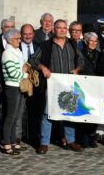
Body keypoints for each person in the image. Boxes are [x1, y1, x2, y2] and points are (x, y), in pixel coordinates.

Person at [29, 19, 84, 154]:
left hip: (68, 85)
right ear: (54, 29)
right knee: (48, 113)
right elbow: (33, 60)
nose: (62, 30)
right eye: (59, 28)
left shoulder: (73, 44)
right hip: (51, 85)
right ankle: (44, 143)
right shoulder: (46, 45)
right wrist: (43, 68)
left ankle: (70, 140)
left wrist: (77, 69)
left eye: (64, 28)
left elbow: (81, 60)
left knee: (69, 112)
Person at [1, 28, 28, 155]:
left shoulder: (17, 51)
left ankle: (13, 142)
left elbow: (23, 68)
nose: (19, 40)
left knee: (17, 116)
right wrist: (25, 73)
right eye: (17, 38)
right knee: (10, 116)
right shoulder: (8, 53)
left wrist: (24, 70)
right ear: (10, 40)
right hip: (12, 87)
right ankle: (6, 144)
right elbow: (13, 73)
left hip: (19, 86)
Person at [78, 32, 101, 148]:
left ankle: (92, 137)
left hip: (96, 87)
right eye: (91, 41)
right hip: (84, 87)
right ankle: (84, 138)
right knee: (84, 111)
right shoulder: (80, 54)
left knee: (94, 112)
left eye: (95, 41)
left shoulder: (99, 54)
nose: (93, 43)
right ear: (86, 42)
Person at [18, 24, 38, 145]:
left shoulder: (38, 46)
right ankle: (18, 136)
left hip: (35, 84)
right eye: (25, 34)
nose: (28, 36)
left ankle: (32, 136)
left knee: (34, 112)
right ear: (21, 34)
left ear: (33, 34)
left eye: (30, 34)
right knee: (19, 111)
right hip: (21, 82)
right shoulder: (16, 46)